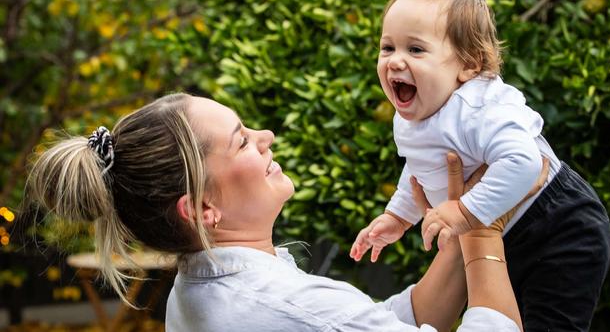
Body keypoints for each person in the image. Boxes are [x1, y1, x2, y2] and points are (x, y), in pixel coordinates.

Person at [25, 93, 545, 331]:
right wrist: (483, 233)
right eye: (242, 141)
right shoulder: (287, 307)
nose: (266, 137)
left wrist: (457, 224)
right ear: (203, 208)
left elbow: (373, 325)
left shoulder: (196, 295)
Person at [350, 0, 610, 331]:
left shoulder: (480, 108)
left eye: (415, 49)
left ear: (469, 63)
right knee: (507, 314)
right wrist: (398, 216)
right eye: (387, 47)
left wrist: (464, 211)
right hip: (504, 228)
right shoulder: (413, 115)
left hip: (558, 222)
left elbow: (524, 162)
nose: (395, 60)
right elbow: (421, 165)